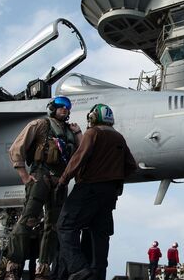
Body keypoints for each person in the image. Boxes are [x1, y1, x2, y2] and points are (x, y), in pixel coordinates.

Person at [57, 103, 138, 280]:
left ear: (93, 117)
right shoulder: (119, 137)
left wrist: (63, 180)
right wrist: (115, 177)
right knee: (100, 235)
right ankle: (97, 275)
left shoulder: (93, 133)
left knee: (65, 226)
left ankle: (78, 269)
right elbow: (132, 166)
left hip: (89, 188)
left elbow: (78, 158)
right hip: (110, 194)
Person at [5, 96, 83, 280]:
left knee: (53, 227)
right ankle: (13, 266)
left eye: (67, 107)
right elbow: (16, 149)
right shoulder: (40, 125)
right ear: (52, 108)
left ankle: (43, 269)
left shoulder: (70, 132)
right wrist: (24, 175)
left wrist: (78, 133)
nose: (65, 109)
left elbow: (81, 153)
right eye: (61, 106)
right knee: (28, 219)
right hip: (41, 176)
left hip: (60, 181)